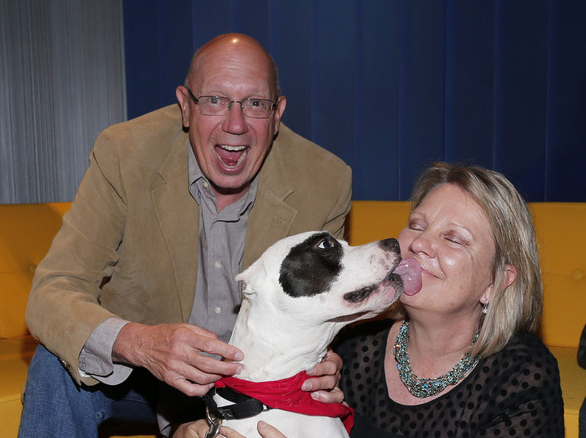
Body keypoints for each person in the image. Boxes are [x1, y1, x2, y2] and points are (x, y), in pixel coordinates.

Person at [18, 33, 352, 438]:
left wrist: (323, 356)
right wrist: (139, 343)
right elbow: (52, 291)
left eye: (255, 104)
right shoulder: (125, 154)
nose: (235, 124)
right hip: (140, 376)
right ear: (185, 106)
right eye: (214, 100)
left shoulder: (325, 181)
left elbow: (327, 305)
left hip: (254, 387)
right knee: (55, 363)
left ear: (278, 114)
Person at [181, 162, 563, 437]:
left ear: (497, 282)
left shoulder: (522, 376)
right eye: (417, 225)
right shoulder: (342, 352)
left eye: (454, 238)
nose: (419, 244)